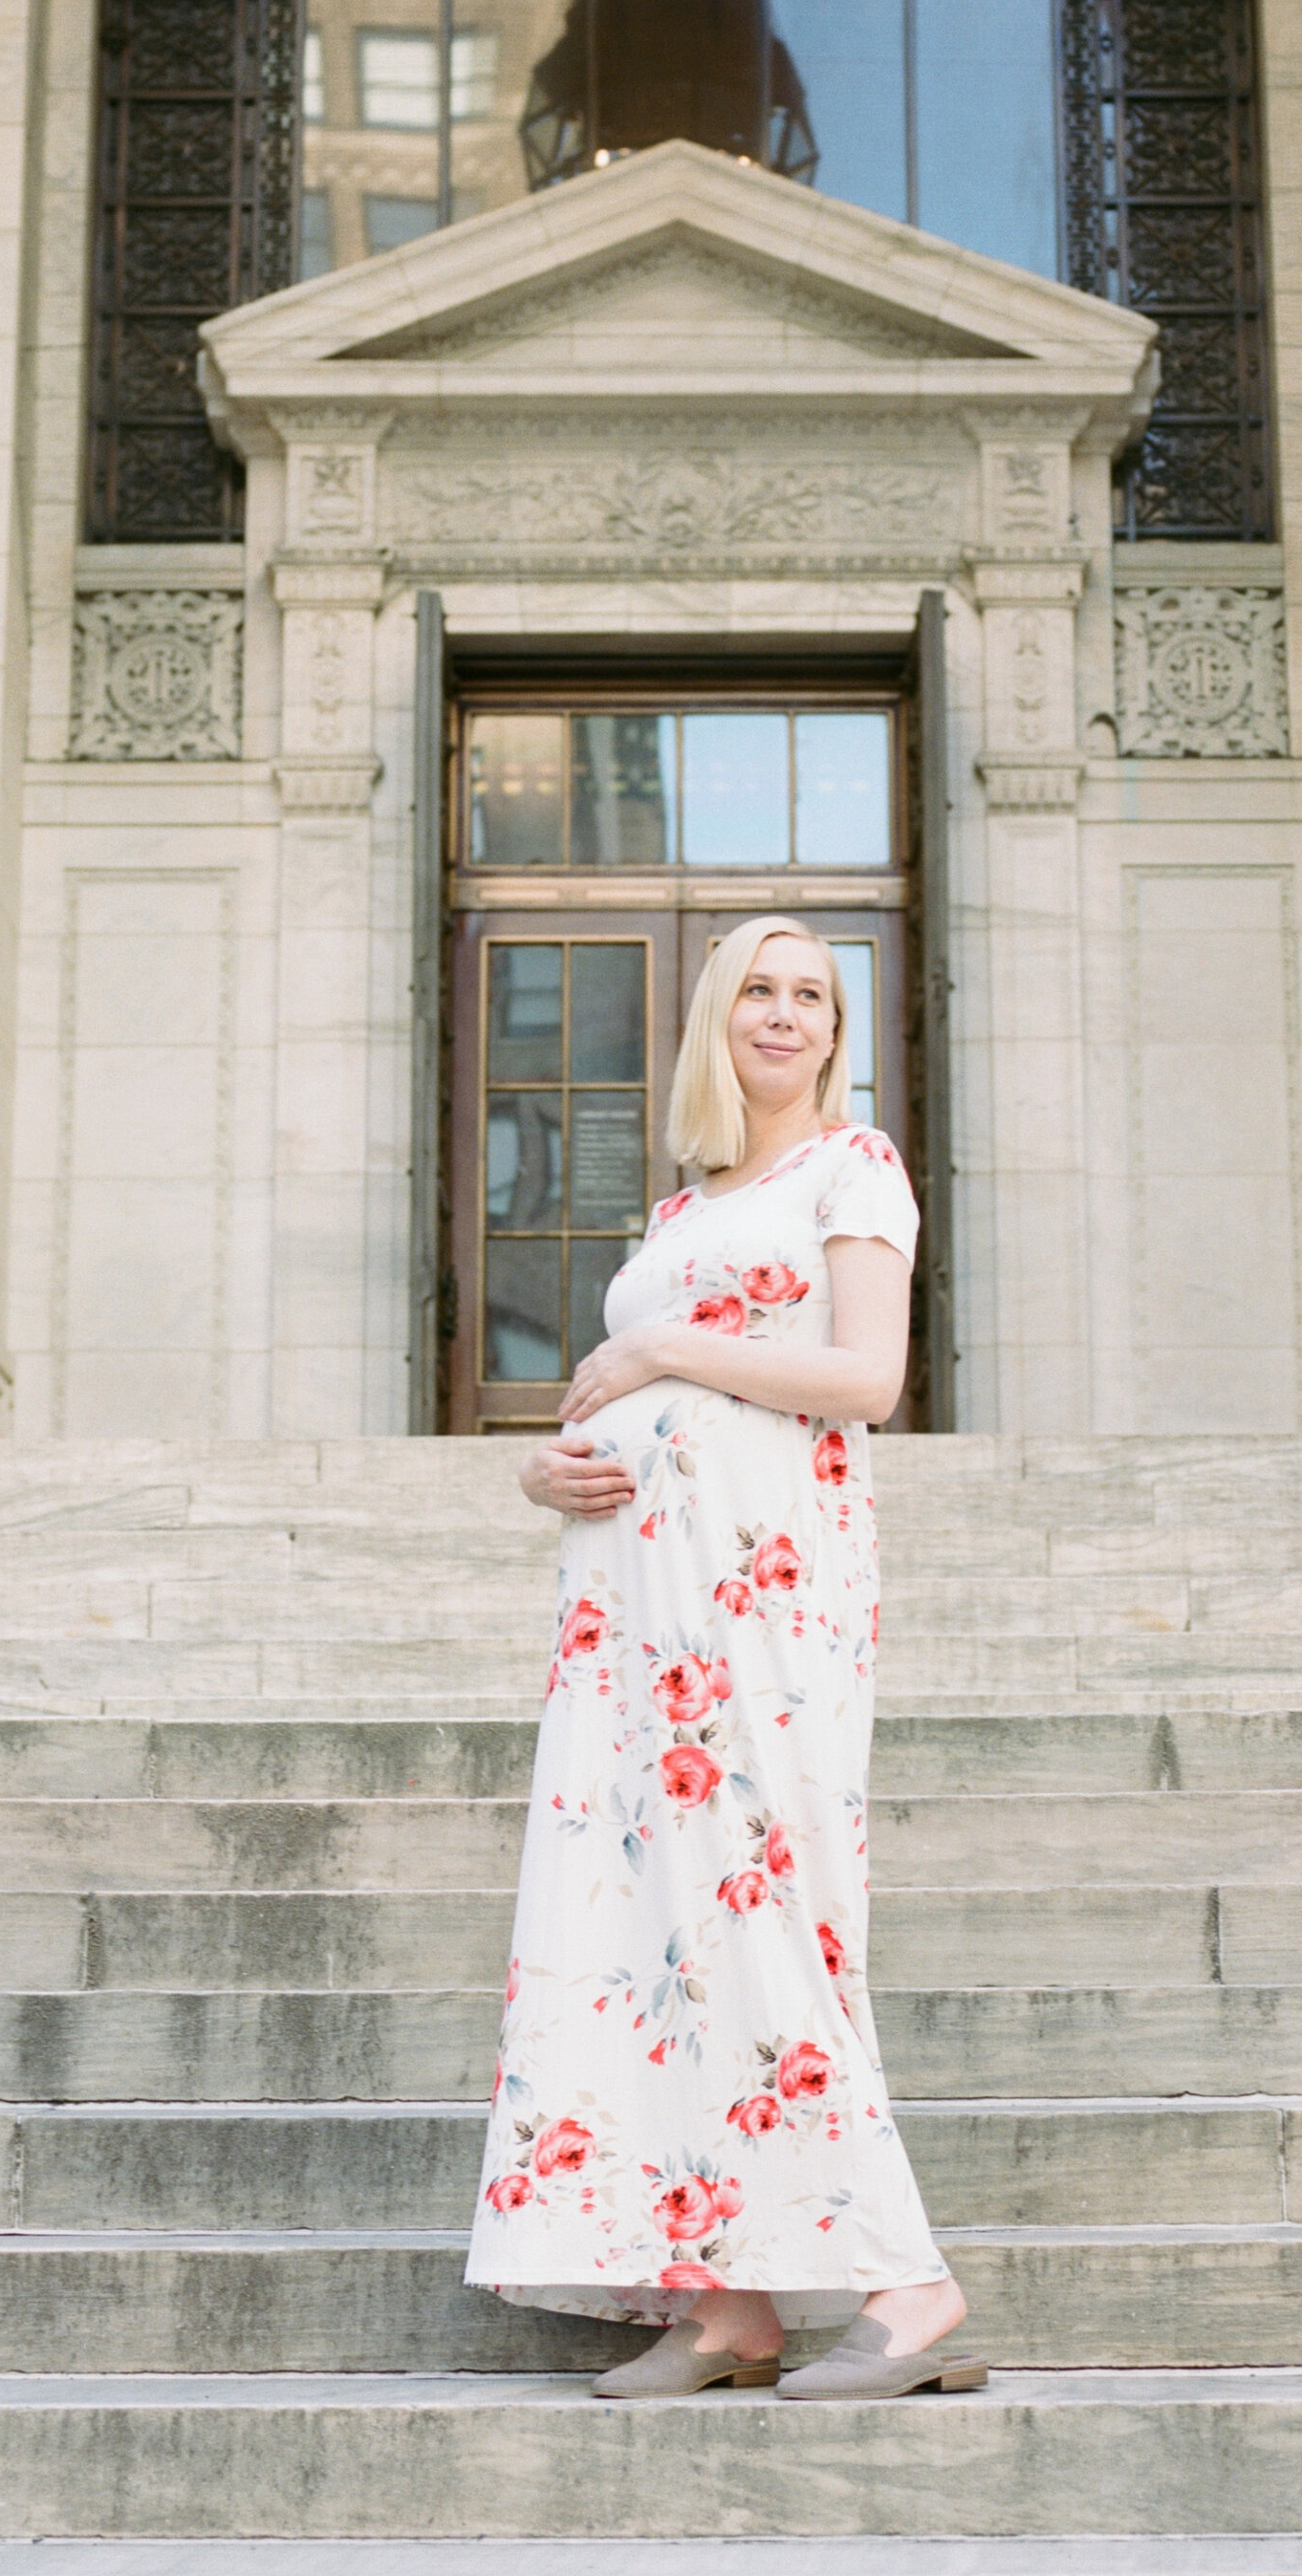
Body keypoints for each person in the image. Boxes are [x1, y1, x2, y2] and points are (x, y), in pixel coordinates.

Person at [464, 914, 982, 2401]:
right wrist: (550, 1470)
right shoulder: (685, 1210)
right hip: (632, 1628)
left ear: (836, 1028)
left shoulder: (852, 1169)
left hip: (768, 1603)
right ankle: (732, 2303)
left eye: (812, 994)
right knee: (663, 1933)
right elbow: (604, 1397)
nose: (784, 1013)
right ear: (715, 1014)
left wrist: (665, 1356)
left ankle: (910, 2281)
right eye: (758, 987)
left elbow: (866, 1379)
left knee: (768, 1912)